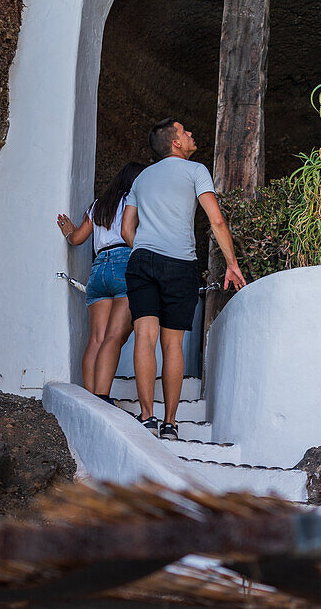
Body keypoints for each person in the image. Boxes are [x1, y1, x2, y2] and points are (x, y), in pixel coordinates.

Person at [121, 119, 245, 440]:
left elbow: (126, 230)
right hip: (179, 264)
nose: (191, 134)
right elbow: (215, 219)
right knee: (172, 343)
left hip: (143, 261)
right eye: (184, 131)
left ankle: (147, 417)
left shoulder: (142, 178)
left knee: (144, 337)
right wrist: (231, 263)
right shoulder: (196, 170)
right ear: (176, 143)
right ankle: (170, 423)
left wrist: (147, 248)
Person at [57, 161, 144, 401]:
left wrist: (67, 230)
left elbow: (77, 239)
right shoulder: (138, 202)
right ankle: (103, 398)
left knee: (96, 338)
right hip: (125, 263)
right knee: (115, 336)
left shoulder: (98, 206)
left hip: (98, 269)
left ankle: (90, 400)